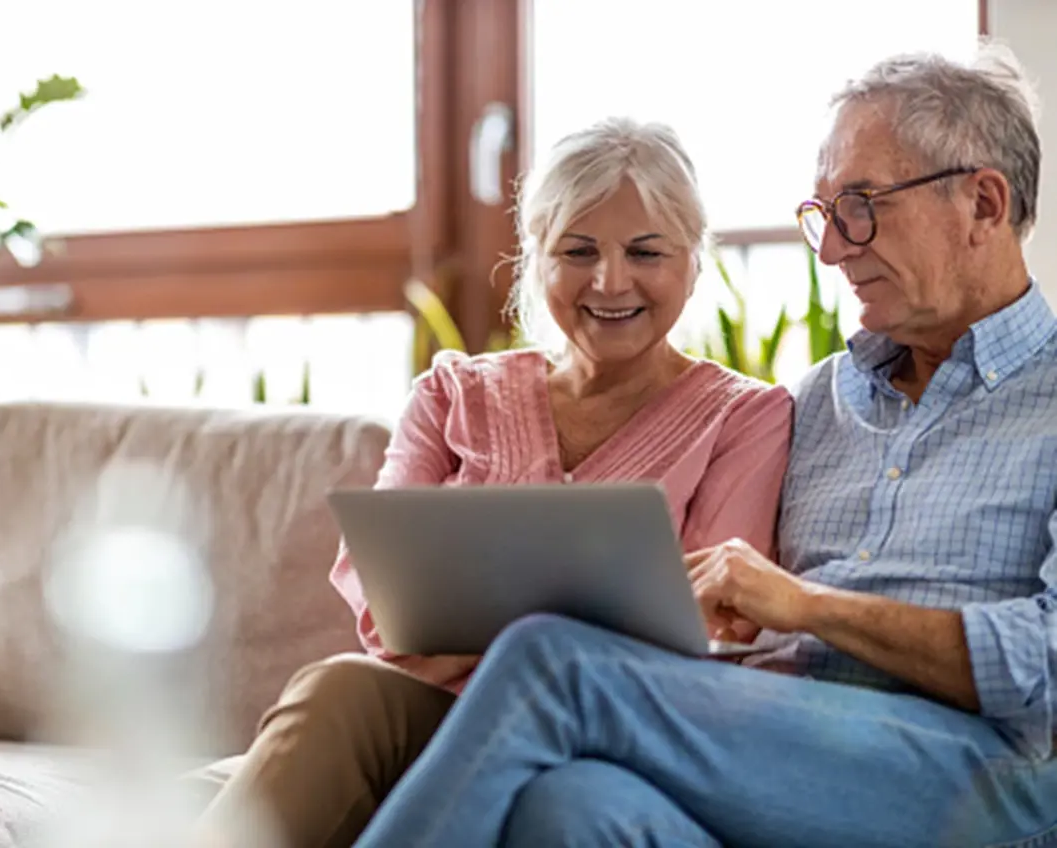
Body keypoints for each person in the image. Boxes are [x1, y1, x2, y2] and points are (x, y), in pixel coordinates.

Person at [351, 46, 1057, 848]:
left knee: (554, 661)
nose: (831, 249)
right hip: (770, 740)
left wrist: (806, 606)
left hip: (973, 768)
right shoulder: (820, 399)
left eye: (861, 205)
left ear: (985, 204)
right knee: (572, 807)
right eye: (823, 215)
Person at [194, 117, 793, 848]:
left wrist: (487, 640)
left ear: (694, 263)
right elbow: (388, 606)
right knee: (340, 687)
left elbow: (704, 626)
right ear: (534, 261)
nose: (610, 281)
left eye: (646, 252)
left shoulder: (746, 417)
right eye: (577, 251)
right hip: (439, 715)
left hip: (604, 738)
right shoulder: (452, 393)